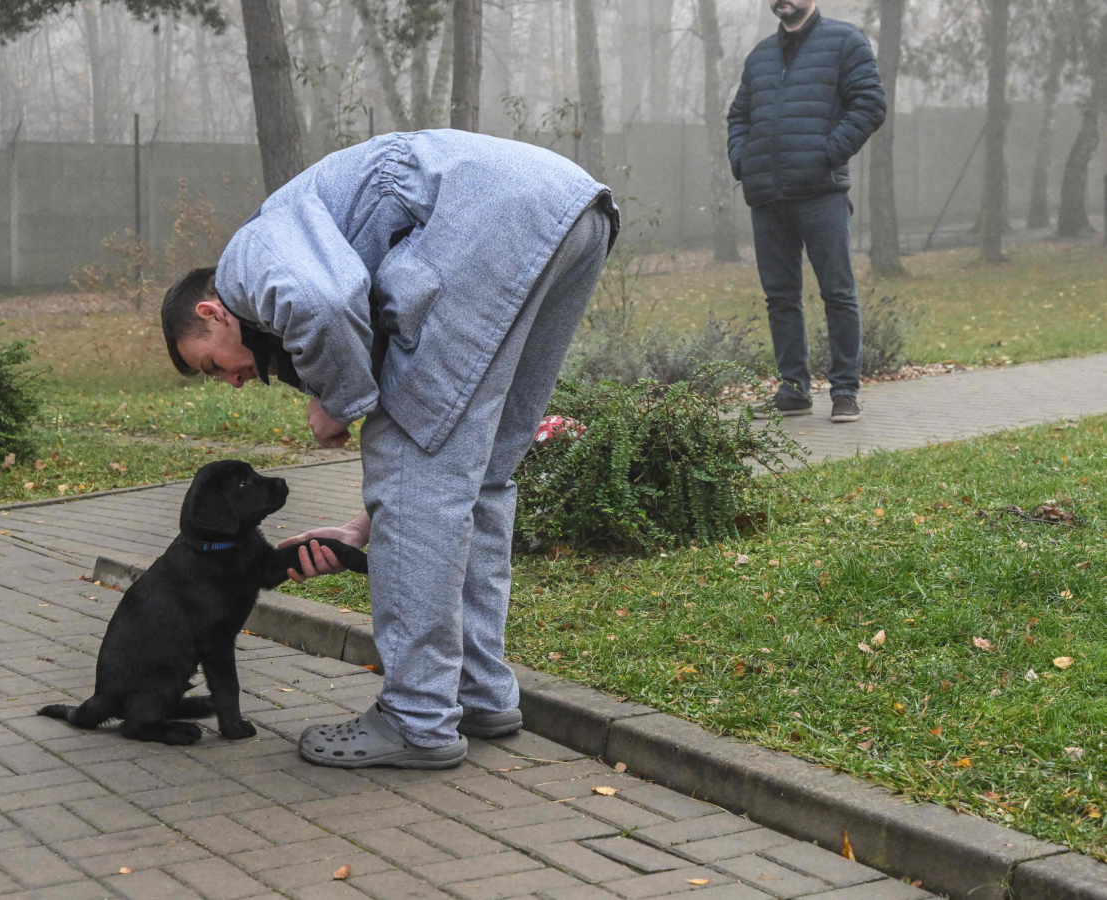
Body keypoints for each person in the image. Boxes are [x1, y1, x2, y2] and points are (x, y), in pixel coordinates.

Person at [161, 129, 618, 769]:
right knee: (481, 477)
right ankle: (477, 690)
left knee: (416, 474)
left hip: (491, 219)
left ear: (212, 312)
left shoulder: (248, 259)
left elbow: (325, 301)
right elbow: (438, 460)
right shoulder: (291, 259)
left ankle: (417, 719)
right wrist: (363, 524)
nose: (233, 381)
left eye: (214, 366)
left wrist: (339, 402)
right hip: (571, 212)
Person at [727, 0, 885, 422]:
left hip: (821, 192)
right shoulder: (760, 55)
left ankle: (845, 392)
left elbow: (869, 104)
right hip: (767, 196)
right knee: (780, 298)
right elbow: (739, 115)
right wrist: (743, 161)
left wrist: (826, 155)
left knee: (838, 293)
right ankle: (794, 390)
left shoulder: (845, 41)